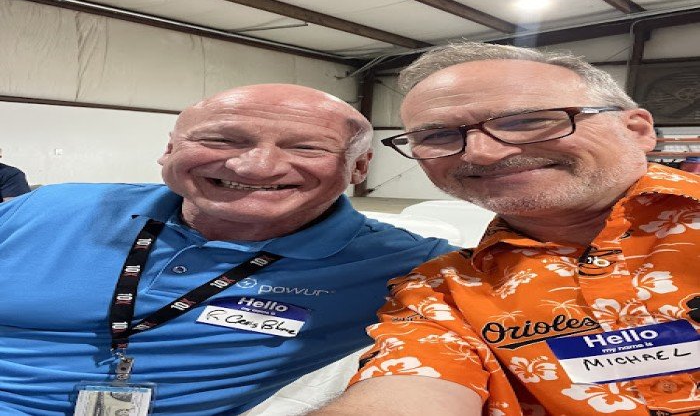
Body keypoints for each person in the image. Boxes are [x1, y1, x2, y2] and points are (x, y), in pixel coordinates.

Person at [0, 84, 455, 416]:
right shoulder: (45, 208)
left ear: (358, 166)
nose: (256, 166)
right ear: (169, 149)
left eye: (306, 147)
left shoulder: (413, 266)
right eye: (221, 139)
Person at [310, 42, 699, 416]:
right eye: (438, 135)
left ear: (636, 129)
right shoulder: (442, 292)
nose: (483, 153)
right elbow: (407, 389)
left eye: (527, 121)